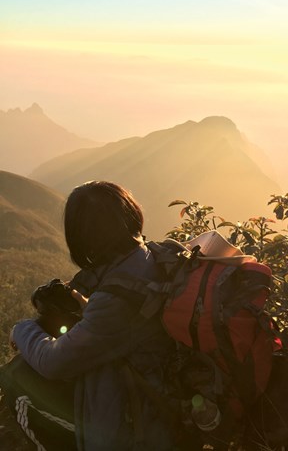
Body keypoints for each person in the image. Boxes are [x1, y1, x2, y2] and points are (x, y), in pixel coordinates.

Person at [9, 181, 177, 451]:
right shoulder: (152, 254)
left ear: (83, 235)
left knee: (17, 376)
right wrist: (87, 307)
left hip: (134, 428)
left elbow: (53, 362)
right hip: (159, 396)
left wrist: (20, 329)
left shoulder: (116, 299)